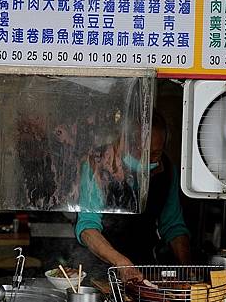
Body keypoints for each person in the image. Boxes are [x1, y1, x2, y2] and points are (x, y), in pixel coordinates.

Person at [75, 113, 190, 282]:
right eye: (140, 151)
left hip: (145, 271)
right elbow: (87, 228)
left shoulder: (167, 172)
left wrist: (187, 268)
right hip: (101, 272)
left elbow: (173, 225)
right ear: (125, 143)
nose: (148, 159)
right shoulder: (98, 163)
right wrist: (121, 263)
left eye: (155, 153)